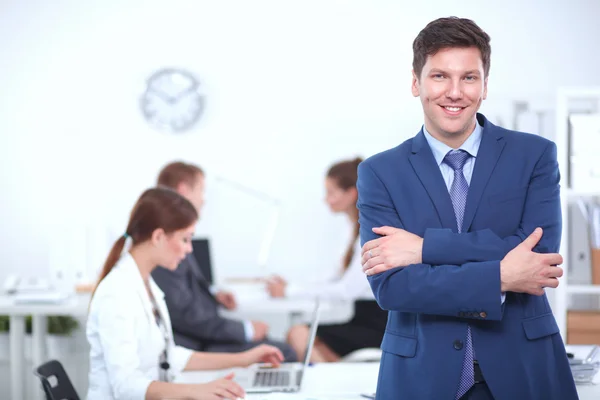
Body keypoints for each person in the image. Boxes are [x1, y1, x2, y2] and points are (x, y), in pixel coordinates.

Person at [357, 17, 577, 400]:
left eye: (469, 78)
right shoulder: (379, 172)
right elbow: (393, 287)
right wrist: (501, 276)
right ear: (416, 82)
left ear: (485, 85)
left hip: (522, 371)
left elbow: (538, 259)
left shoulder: (535, 155)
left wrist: (425, 250)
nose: (454, 92)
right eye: (440, 76)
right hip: (423, 377)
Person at [87, 188, 284, 400]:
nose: (189, 249)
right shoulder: (117, 293)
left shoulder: (146, 284)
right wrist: (196, 392)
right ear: (158, 236)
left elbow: (169, 356)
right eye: (185, 239)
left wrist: (243, 359)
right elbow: (125, 386)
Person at [151, 161, 296, 361]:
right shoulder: (165, 241)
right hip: (194, 344)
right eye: (201, 191)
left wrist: (213, 295)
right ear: (184, 190)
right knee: (282, 352)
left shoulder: (172, 234)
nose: (204, 200)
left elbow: (180, 294)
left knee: (277, 348)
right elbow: (184, 314)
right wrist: (245, 330)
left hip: (200, 336)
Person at [266, 157, 387, 362]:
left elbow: (346, 290)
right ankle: (333, 380)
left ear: (351, 194)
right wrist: (290, 286)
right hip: (363, 320)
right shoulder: (354, 232)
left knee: (299, 334)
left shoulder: (371, 235)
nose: (326, 199)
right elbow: (332, 278)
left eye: (331, 193)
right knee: (306, 337)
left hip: (377, 326)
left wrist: (289, 291)